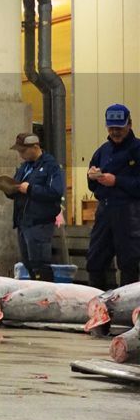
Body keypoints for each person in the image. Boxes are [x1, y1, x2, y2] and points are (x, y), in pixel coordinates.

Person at [84, 104, 140, 290]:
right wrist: (92, 177)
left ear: (129, 125)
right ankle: (100, 306)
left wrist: (116, 181)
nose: (115, 132)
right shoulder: (102, 151)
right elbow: (92, 183)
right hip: (105, 212)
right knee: (95, 259)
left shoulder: (138, 149)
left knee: (129, 261)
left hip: (130, 214)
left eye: (119, 128)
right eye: (111, 128)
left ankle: (129, 309)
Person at [6, 132, 64, 282]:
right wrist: (8, 189)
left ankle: (47, 297)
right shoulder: (24, 167)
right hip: (23, 222)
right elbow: (16, 186)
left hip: (40, 223)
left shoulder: (51, 166)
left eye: (23, 151)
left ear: (35, 146)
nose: (21, 154)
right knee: (28, 263)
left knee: (40, 263)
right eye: (19, 151)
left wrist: (31, 189)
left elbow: (56, 192)